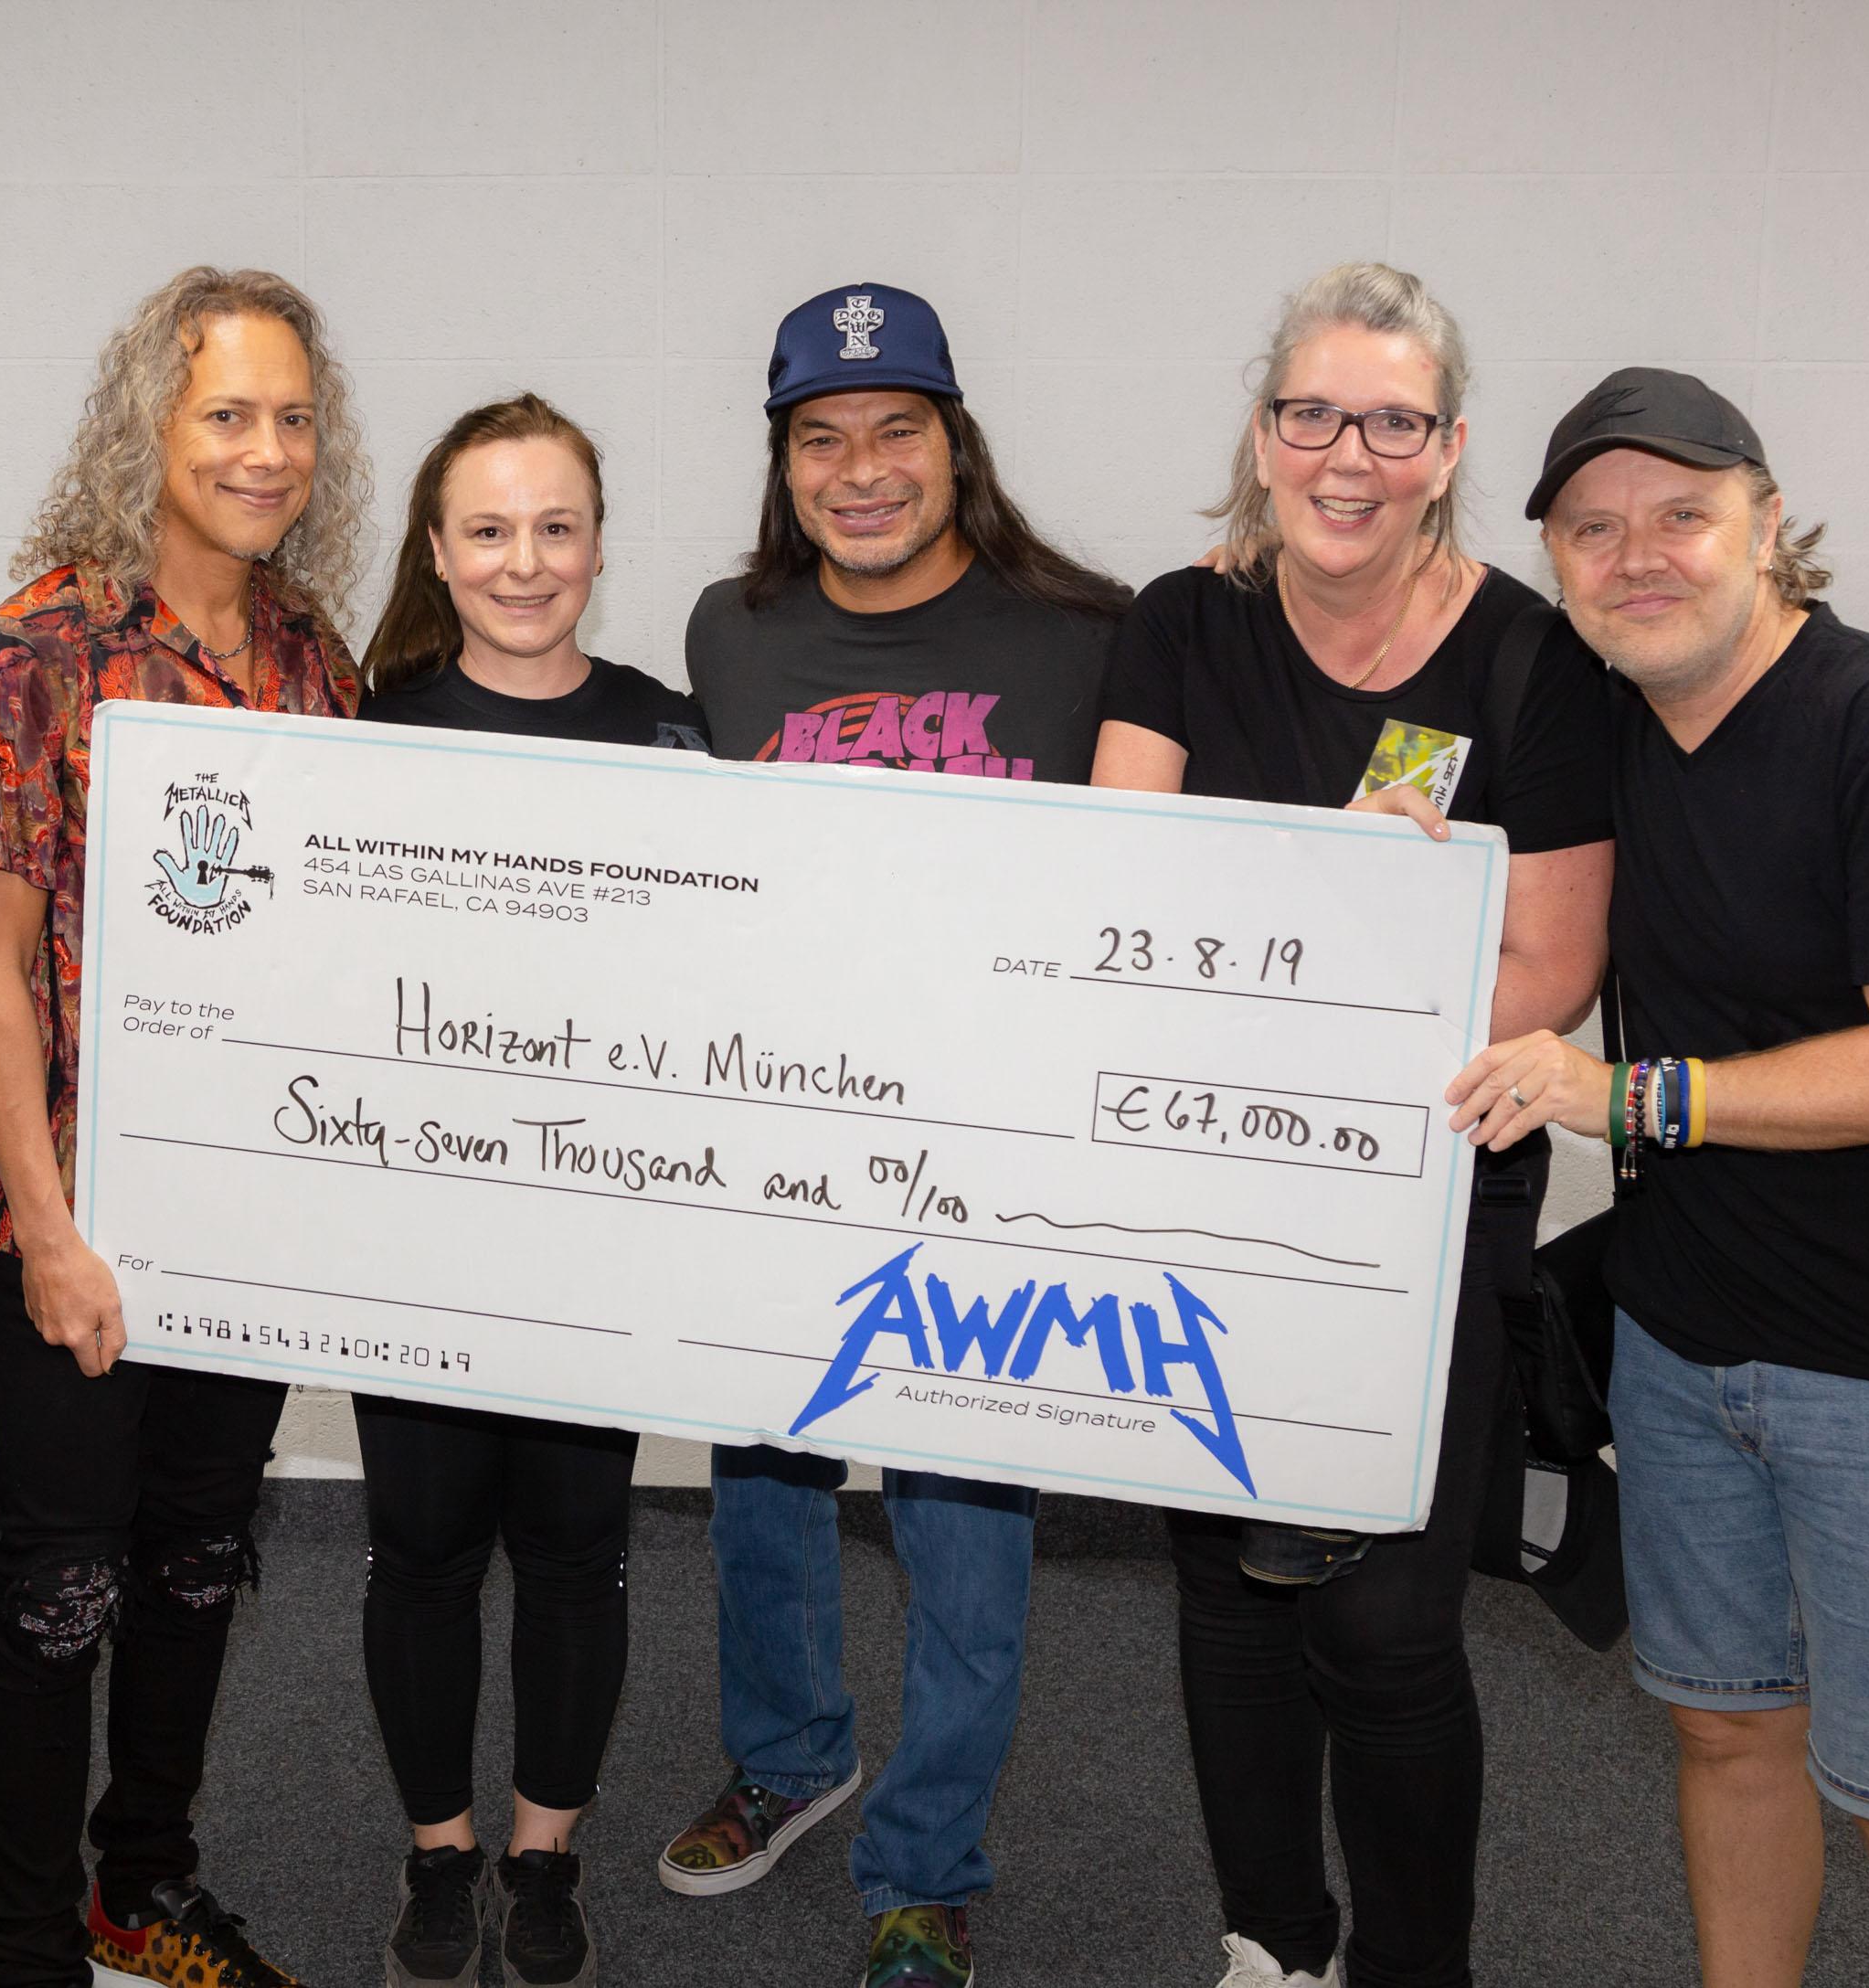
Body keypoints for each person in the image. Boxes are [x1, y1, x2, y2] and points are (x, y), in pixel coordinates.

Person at [1451, 369, 1869, 1988]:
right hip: (1681, 1345)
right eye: (1593, 529)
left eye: (1682, 514)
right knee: (1726, 1739)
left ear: (1769, 525)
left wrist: (1632, 1097)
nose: (1637, 555)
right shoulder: (1616, 734)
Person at [1090, 263, 1615, 1988]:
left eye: (1393, 423)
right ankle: (1275, 1937)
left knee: (1387, 1624)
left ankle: (1411, 1966)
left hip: (1429, 1196)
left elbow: (1549, 972)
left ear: (1449, 451)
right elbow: (1121, 896)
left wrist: (1296, 999)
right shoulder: (1182, 624)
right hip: (1208, 1177)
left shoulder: (1534, 662)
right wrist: (1340, 957)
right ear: (1263, 436)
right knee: (1230, 1590)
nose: (1348, 456)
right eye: (1312, 414)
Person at [663, 283, 1131, 1988]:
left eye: (896, 431)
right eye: (822, 439)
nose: (861, 470)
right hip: (783, 1144)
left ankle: (926, 1867)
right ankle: (791, 1760)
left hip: (990, 1161)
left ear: (955, 444)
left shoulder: (1085, 634)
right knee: (763, 1497)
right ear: (784, 461)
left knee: (966, 1536)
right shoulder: (732, 630)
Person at [0, 266, 369, 1988]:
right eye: (227, 415)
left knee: (198, 1562)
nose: (266, 452)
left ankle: (145, 1889)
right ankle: (28, 1946)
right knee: (62, 1593)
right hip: (71, 1221)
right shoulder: (32, 657)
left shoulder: (313, 655)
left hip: (243, 1219)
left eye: (293, 419)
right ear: (149, 429)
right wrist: (49, 1233)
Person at [352, 395, 705, 1988]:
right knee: (421, 1547)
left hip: (596, 1232)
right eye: (488, 530)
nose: (524, 561)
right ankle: (438, 1854)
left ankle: (543, 1854)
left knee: (576, 1548)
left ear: (600, 546)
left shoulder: (673, 735)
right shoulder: (367, 734)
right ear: (437, 551)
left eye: (556, 527)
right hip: (415, 1231)